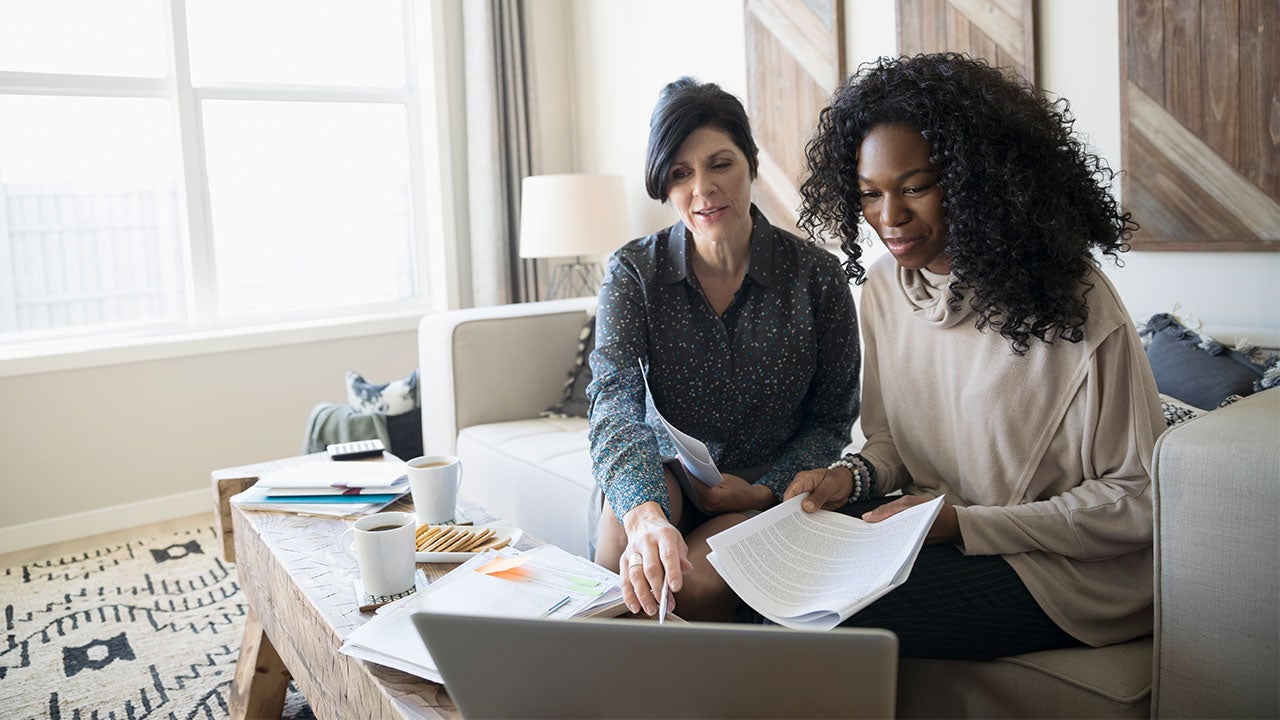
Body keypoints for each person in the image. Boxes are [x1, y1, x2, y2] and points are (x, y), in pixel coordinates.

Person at [784, 53, 1165, 659]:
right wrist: (848, 478)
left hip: (1067, 570)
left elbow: (1140, 497)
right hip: (938, 529)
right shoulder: (885, 288)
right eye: (869, 195)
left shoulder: (1071, 296)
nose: (890, 217)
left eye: (916, 187)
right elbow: (893, 449)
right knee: (768, 587)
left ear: (975, 179)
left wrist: (965, 525)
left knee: (824, 619)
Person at [588, 77, 860, 622]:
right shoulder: (633, 272)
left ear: (751, 164)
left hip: (765, 492)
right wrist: (644, 514)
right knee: (625, 564)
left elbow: (831, 422)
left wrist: (763, 490)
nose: (703, 189)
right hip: (660, 470)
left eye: (720, 164)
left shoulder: (818, 279)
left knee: (685, 590)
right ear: (664, 186)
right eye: (680, 174)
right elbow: (613, 401)